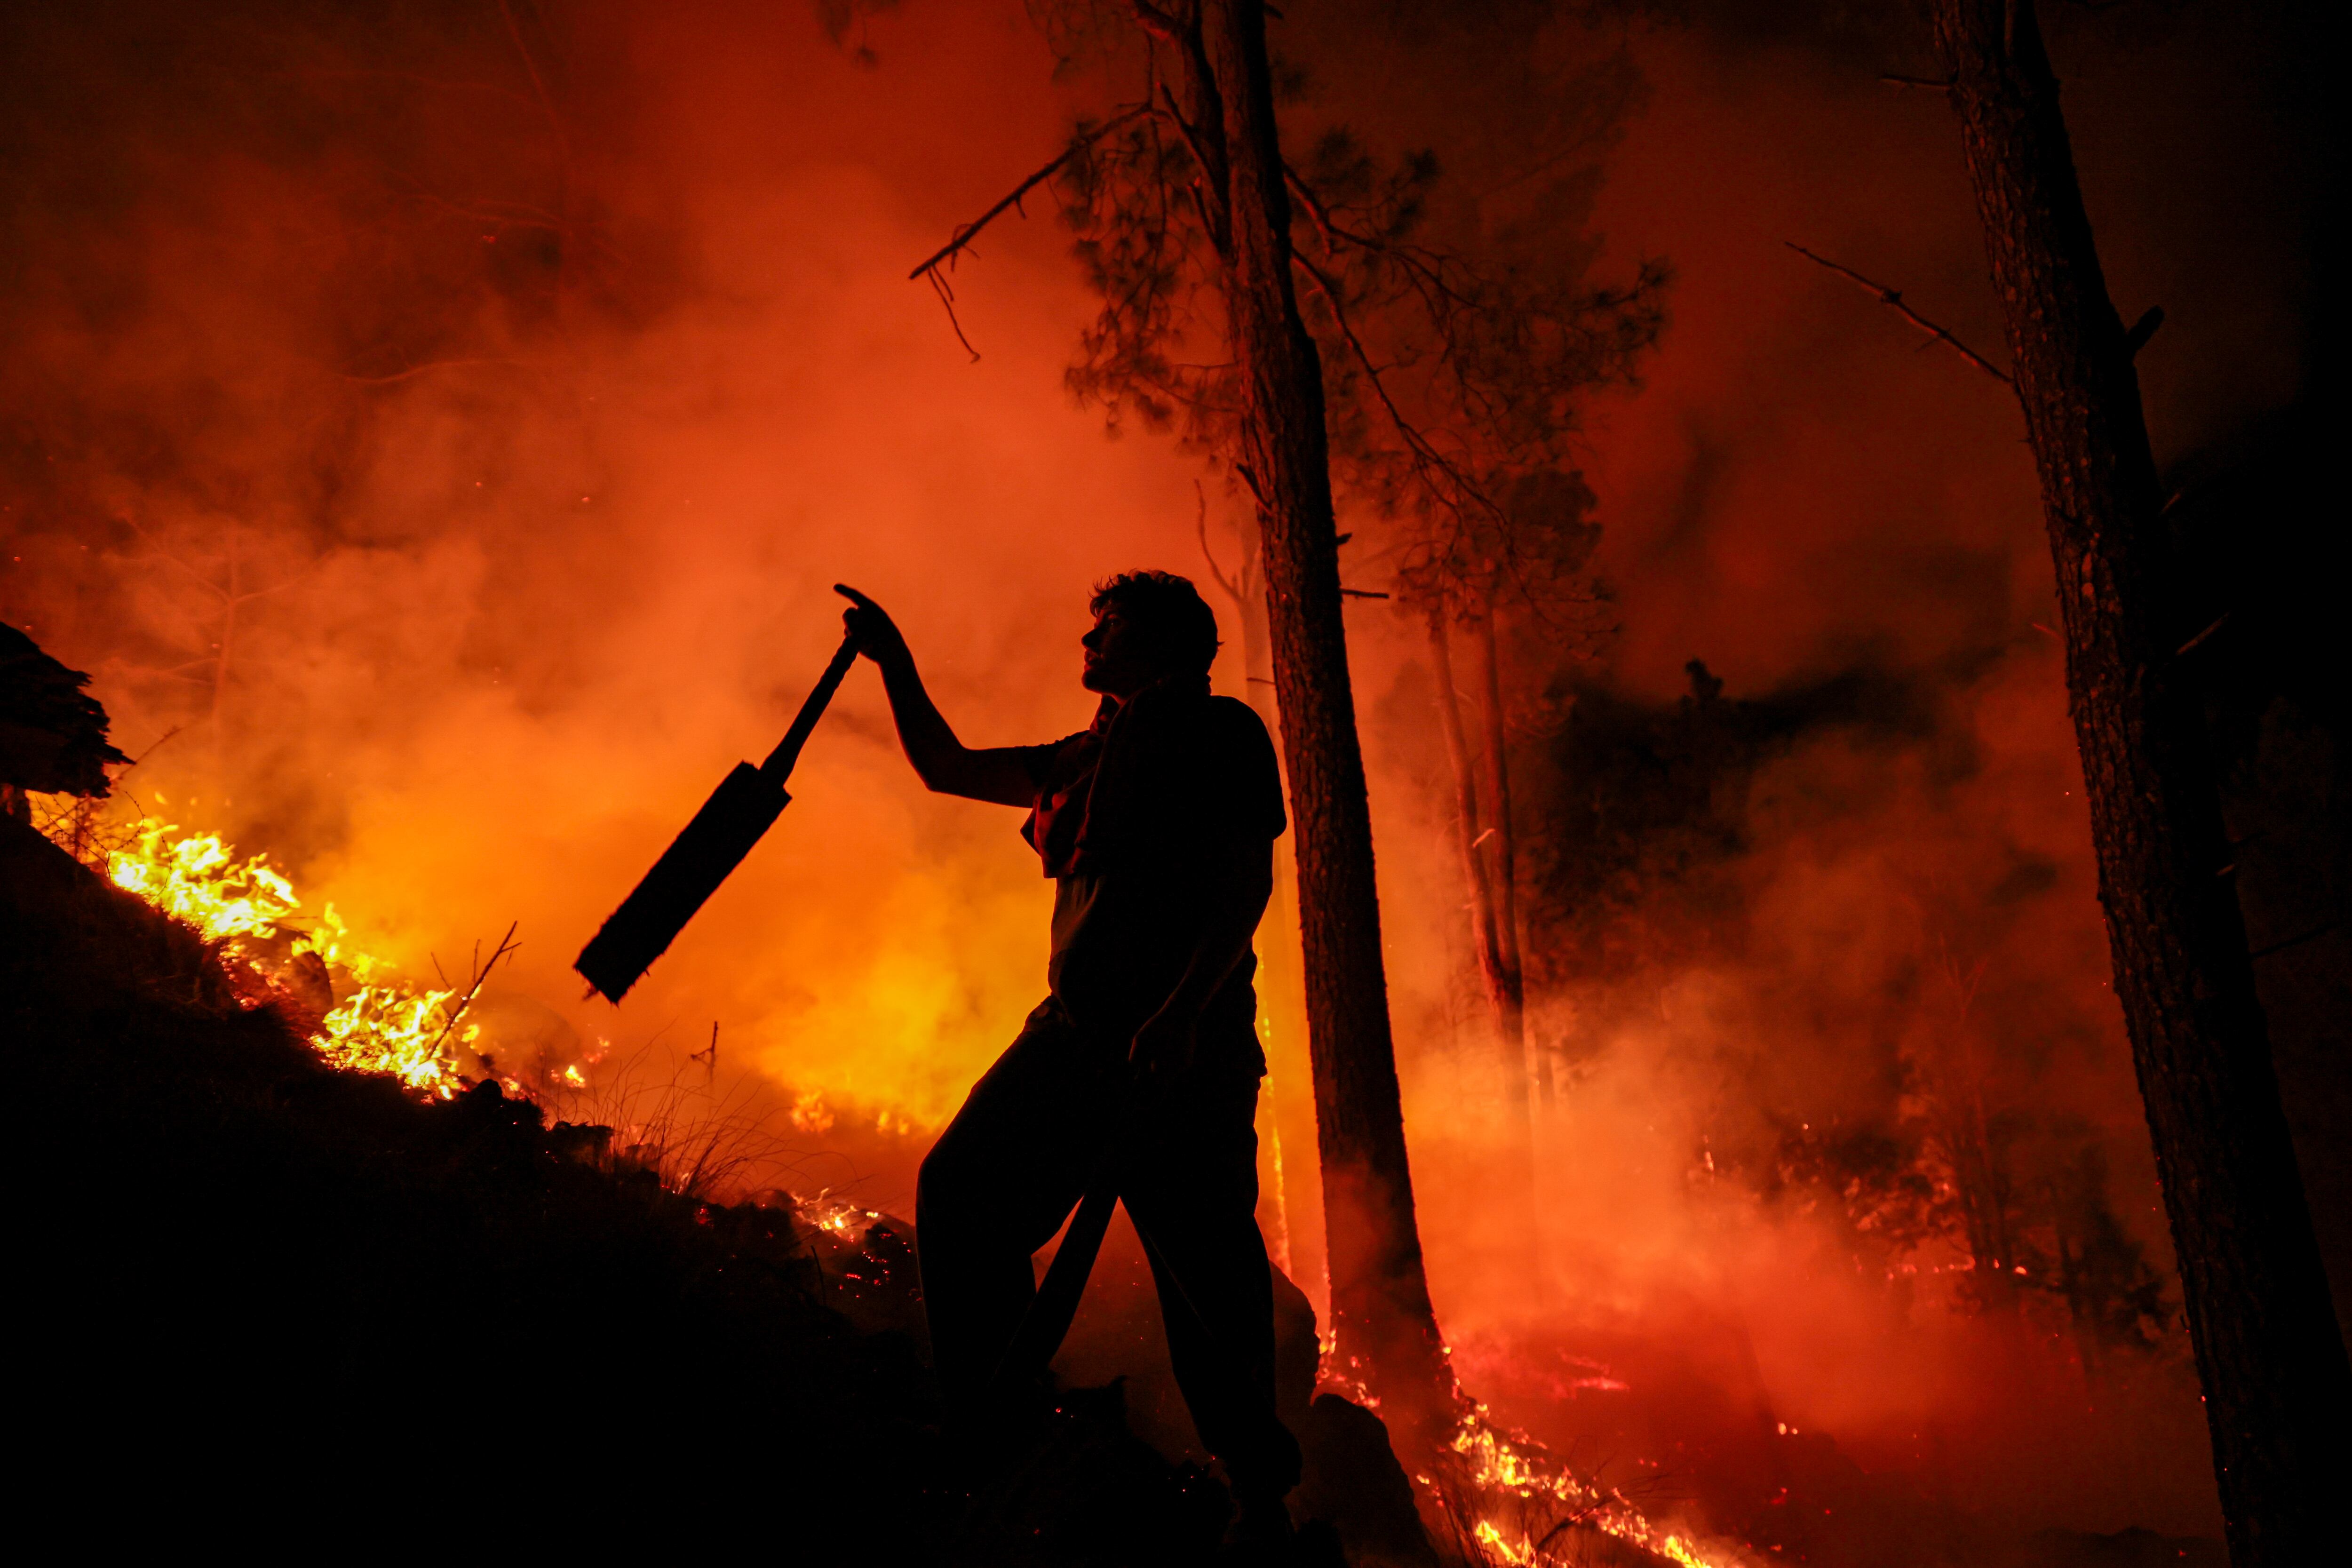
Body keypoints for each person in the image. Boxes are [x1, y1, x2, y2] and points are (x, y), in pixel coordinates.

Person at [835, 573, 1303, 1538]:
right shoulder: (1090, 756)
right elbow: (946, 765)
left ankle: (1261, 1500)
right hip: (1077, 1037)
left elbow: (1243, 882)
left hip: (1189, 1053)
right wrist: (896, 661)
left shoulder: (1223, 736)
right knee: (962, 1195)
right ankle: (1006, 1440)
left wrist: (1179, 1013)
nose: (1086, 642)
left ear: (1170, 641)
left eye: (1109, 628)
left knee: (1207, 1280)